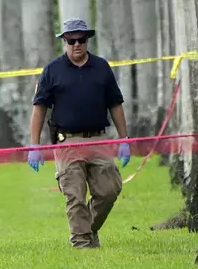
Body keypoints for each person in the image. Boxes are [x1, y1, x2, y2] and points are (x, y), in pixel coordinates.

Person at [27, 18, 131, 249]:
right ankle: (82, 245)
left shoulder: (102, 67)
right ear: (64, 41)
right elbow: (39, 108)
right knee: (74, 195)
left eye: (81, 39)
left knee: (109, 190)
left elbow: (115, 104)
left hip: (98, 139)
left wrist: (124, 140)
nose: (76, 44)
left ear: (87, 40)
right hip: (67, 142)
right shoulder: (52, 70)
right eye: (71, 40)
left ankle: (88, 230)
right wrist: (34, 145)